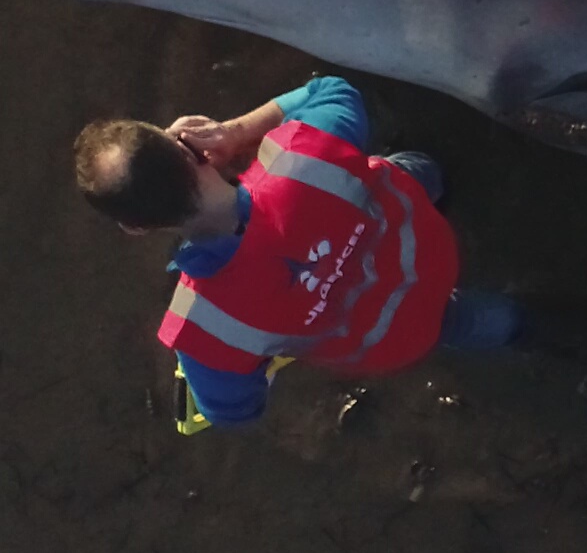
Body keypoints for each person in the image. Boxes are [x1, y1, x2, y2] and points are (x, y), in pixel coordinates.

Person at [69, 74, 523, 433]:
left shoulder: (202, 330)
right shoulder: (302, 150)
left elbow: (234, 412)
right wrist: (234, 132)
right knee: (414, 172)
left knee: (471, 322)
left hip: (396, 333)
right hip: (423, 242)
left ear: (136, 227)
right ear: (189, 147)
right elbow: (331, 90)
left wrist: (262, 356)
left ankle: (527, 326)